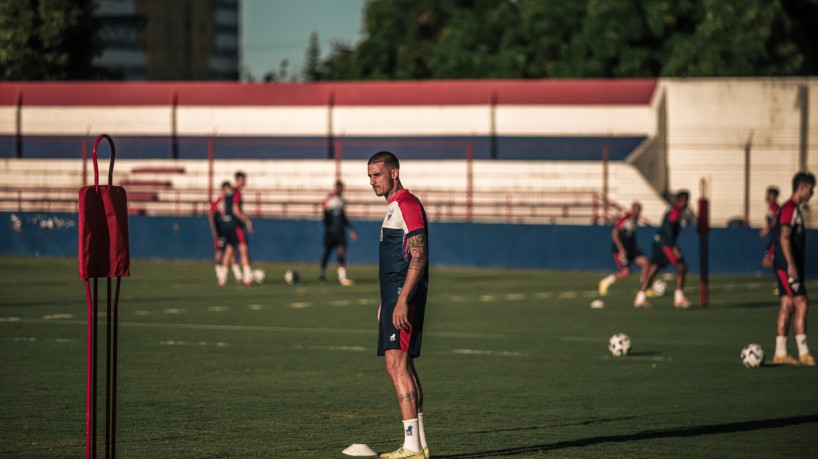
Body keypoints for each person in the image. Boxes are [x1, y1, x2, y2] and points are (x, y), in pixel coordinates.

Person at [367, 151, 430, 459]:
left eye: (377, 174)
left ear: (394, 173)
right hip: (394, 296)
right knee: (405, 367)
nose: (372, 181)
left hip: (403, 295)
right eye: (369, 176)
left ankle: (411, 447)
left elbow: (419, 255)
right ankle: (420, 445)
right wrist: (387, 302)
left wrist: (402, 299)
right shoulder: (394, 207)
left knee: (397, 367)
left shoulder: (407, 204)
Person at [771, 171, 815, 366]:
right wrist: (790, 264)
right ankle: (804, 353)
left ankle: (780, 353)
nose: (812, 194)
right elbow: (784, 237)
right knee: (802, 303)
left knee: (787, 305)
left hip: (786, 265)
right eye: (811, 189)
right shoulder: (789, 208)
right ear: (802, 187)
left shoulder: (792, 208)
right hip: (787, 266)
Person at [634, 191, 691, 309]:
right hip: (665, 244)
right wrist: (673, 246)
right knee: (681, 267)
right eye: (686, 201)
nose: (687, 204)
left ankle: (640, 298)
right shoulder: (675, 212)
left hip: (658, 241)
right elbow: (668, 228)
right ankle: (679, 298)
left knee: (654, 269)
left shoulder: (673, 211)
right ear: (682, 201)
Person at [599, 201, 649, 296]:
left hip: (631, 249)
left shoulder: (635, 221)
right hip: (620, 250)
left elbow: (631, 236)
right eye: (635, 210)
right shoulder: (625, 218)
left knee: (645, 262)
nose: (636, 212)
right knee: (626, 272)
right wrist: (621, 249)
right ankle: (605, 282)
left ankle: (644, 288)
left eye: (638, 211)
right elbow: (614, 233)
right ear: (632, 209)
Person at [319, 180, 358, 286]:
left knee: (341, 252)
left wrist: (351, 229)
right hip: (331, 232)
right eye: (340, 188)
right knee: (327, 253)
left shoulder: (342, 201)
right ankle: (322, 275)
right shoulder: (329, 199)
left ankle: (342, 278)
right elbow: (326, 217)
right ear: (337, 188)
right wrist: (328, 230)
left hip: (340, 232)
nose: (341, 190)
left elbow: (343, 217)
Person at [760, 186, 780, 269]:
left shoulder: (774, 207)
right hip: (775, 236)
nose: (767, 196)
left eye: (769, 194)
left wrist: (767, 229)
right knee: (767, 260)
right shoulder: (772, 207)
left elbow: (776, 220)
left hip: (776, 236)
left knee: (767, 261)